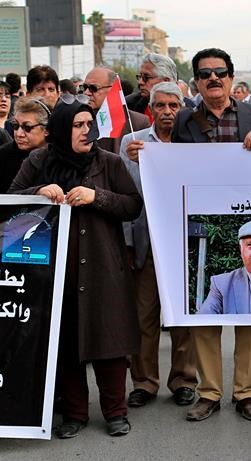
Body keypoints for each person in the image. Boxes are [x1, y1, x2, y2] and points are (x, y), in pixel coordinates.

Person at [9, 98, 143, 439]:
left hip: (102, 267)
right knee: (65, 342)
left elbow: (132, 205)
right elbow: (11, 198)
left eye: (89, 124)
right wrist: (39, 190)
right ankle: (74, 413)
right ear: (60, 129)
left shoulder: (108, 162)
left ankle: (116, 412)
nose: (87, 131)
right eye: (78, 125)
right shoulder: (39, 160)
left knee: (110, 342)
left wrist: (96, 196)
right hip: (55, 271)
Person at [173, 48, 251, 423]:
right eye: (205, 74)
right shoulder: (184, 120)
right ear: (197, 82)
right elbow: (174, 169)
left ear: (231, 77)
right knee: (205, 310)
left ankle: (246, 393)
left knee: (249, 311)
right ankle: (209, 392)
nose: (213, 78)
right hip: (202, 227)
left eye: (220, 72)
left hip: (248, 222)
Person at [118, 82, 198, 409]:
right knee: (143, 317)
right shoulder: (132, 143)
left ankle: (184, 380)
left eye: (173, 106)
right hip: (145, 241)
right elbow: (124, 195)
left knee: (183, 317)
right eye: (160, 106)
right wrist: (127, 243)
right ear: (151, 110)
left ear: (183, 108)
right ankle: (144, 382)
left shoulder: (193, 143)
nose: (167, 112)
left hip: (184, 241)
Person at [82, 67, 150, 154]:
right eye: (84, 87)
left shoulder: (137, 122)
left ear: (112, 89)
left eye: (93, 88)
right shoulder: (78, 120)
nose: (86, 93)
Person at [0, 98, 51, 192]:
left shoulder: (59, 156)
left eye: (27, 127)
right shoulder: (3, 155)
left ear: (47, 129)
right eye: (15, 126)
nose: (19, 134)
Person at [127, 53, 180, 122]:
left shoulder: (190, 110)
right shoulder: (128, 106)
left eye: (146, 77)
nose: (140, 82)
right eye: (140, 77)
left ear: (166, 81)